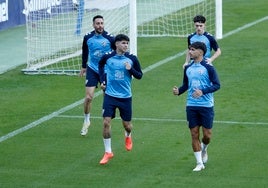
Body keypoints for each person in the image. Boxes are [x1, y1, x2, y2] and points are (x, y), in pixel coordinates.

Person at [173, 41, 220, 171]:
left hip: (206, 105)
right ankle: (199, 163)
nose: (190, 52)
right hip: (191, 105)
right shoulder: (188, 68)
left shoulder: (208, 67)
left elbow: (217, 85)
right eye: (189, 49)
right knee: (194, 134)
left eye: (192, 50)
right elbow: (185, 85)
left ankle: (204, 148)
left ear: (201, 52)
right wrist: (178, 91)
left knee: (207, 135)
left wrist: (202, 91)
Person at [98, 34, 143, 165]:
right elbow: (100, 66)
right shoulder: (108, 57)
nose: (126, 46)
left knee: (127, 125)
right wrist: (103, 80)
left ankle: (128, 136)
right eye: (123, 43)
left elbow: (140, 75)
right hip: (110, 96)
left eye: (127, 43)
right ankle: (108, 152)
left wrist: (131, 69)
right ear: (117, 44)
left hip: (125, 97)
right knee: (106, 122)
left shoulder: (132, 58)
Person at [79, 15, 115, 136]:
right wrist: (84, 66)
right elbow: (85, 51)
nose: (100, 26)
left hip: (105, 71)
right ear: (93, 25)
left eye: (101, 23)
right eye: (97, 23)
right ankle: (86, 120)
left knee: (107, 97)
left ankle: (107, 121)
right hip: (92, 69)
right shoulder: (88, 37)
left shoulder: (110, 38)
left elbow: (116, 53)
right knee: (89, 97)